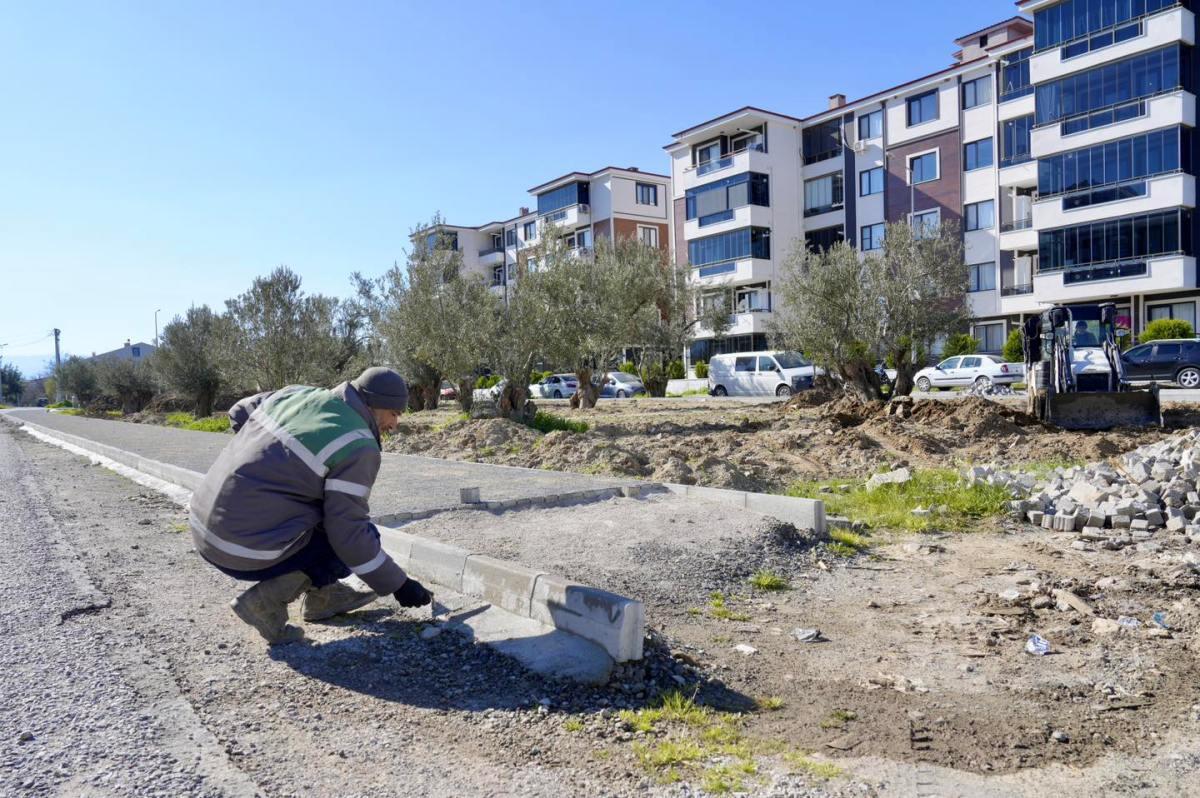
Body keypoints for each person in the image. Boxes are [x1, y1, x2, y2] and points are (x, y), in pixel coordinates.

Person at [189, 367, 432, 644]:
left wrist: (263, 461)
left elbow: (239, 411)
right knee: (353, 535)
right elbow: (349, 533)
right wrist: (399, 585)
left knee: (320, 510)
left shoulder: (296, 394)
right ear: (377, 406)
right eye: (395, 414)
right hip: (238, 549)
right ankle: (266, 604)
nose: (395, 424)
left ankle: (324, 596)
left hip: (202, 527)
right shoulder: (358, 444)